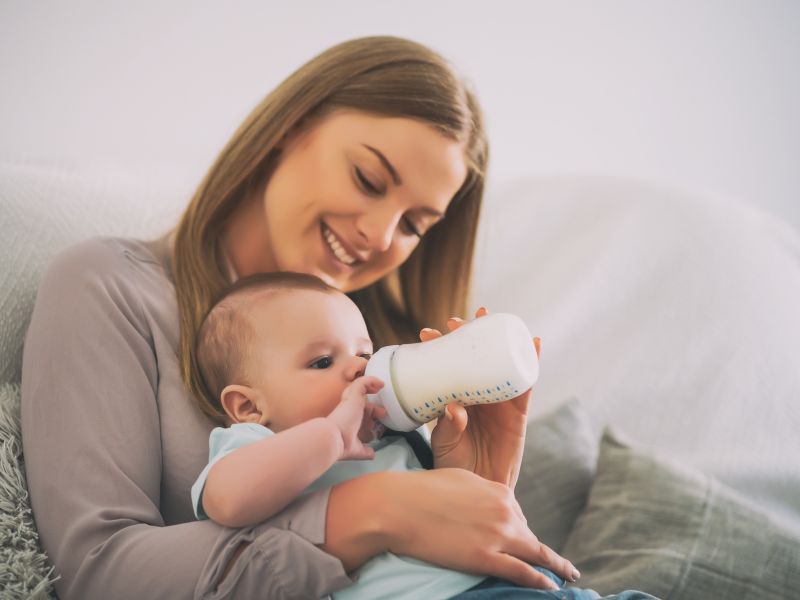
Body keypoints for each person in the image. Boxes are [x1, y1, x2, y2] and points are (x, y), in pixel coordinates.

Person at [22, 36, 577, 599]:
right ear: (290, 127)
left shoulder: (384, 360)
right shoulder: (112, 288)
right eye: (367, 179)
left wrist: (480, 486)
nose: (380, 235)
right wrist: (364, 513)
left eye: (413, 225)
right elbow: (95, 572)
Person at [191, 271, 658, 600]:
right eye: (321, 362)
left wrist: (457, 462)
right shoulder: (256, 444)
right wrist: (330, 436)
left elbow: (456, 514)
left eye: (363, 352)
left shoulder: (392, 435)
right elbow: (229, 503)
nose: (358, 367)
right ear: (249, 406)